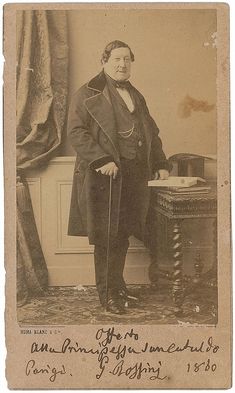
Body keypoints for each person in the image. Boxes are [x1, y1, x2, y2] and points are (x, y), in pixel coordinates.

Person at [67, 40, 170, 314]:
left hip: (133, 176)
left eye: (127, 59)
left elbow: (151, 132)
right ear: (104, 61)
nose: (123, 65)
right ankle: (108, 295)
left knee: (122, 234)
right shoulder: (87, 93)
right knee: (106, 237)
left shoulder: (136, 95)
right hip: (104, 177)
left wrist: (160, 162)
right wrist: (102, 159)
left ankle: (119, 288)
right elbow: (76, 132)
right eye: (116, 59)